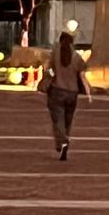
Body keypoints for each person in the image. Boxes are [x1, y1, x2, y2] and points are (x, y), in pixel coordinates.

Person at [43, 29, 91, 161]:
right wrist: (87, 91)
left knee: (58, 120)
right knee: (68, 122)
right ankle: (65, 140)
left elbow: (49, 69)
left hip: (57, 90)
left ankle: (62, 141)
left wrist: (51, 77)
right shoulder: (76, 57)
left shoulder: (55, 54)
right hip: (72, 93)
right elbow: (82, 73)